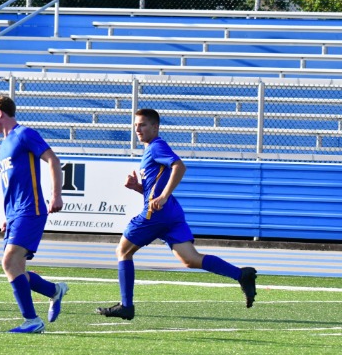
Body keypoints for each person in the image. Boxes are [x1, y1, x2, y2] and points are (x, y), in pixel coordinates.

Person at [97, 108, 257, 320]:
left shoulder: (157, 146)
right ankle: (241, 274)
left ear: (155, 127)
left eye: (142, 125)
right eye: (135, 125)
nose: (137, 129)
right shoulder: (151, 149)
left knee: (123, 251)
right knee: (190, 259)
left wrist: (163, 196)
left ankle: (126, 306)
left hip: (156, 213)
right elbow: (155, 187)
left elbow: (179, 166)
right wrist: (138, 187)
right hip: (170, 213)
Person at [0, 95, 68, 334]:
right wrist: (8, 216)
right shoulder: (3, 147)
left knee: (8, 262)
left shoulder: (24, 134)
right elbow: (12, 186)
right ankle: (54, 290)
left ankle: (32, 320)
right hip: (15, 214)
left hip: (31, 210)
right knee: (17, 269)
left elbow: (53, 160)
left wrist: (56, 195)